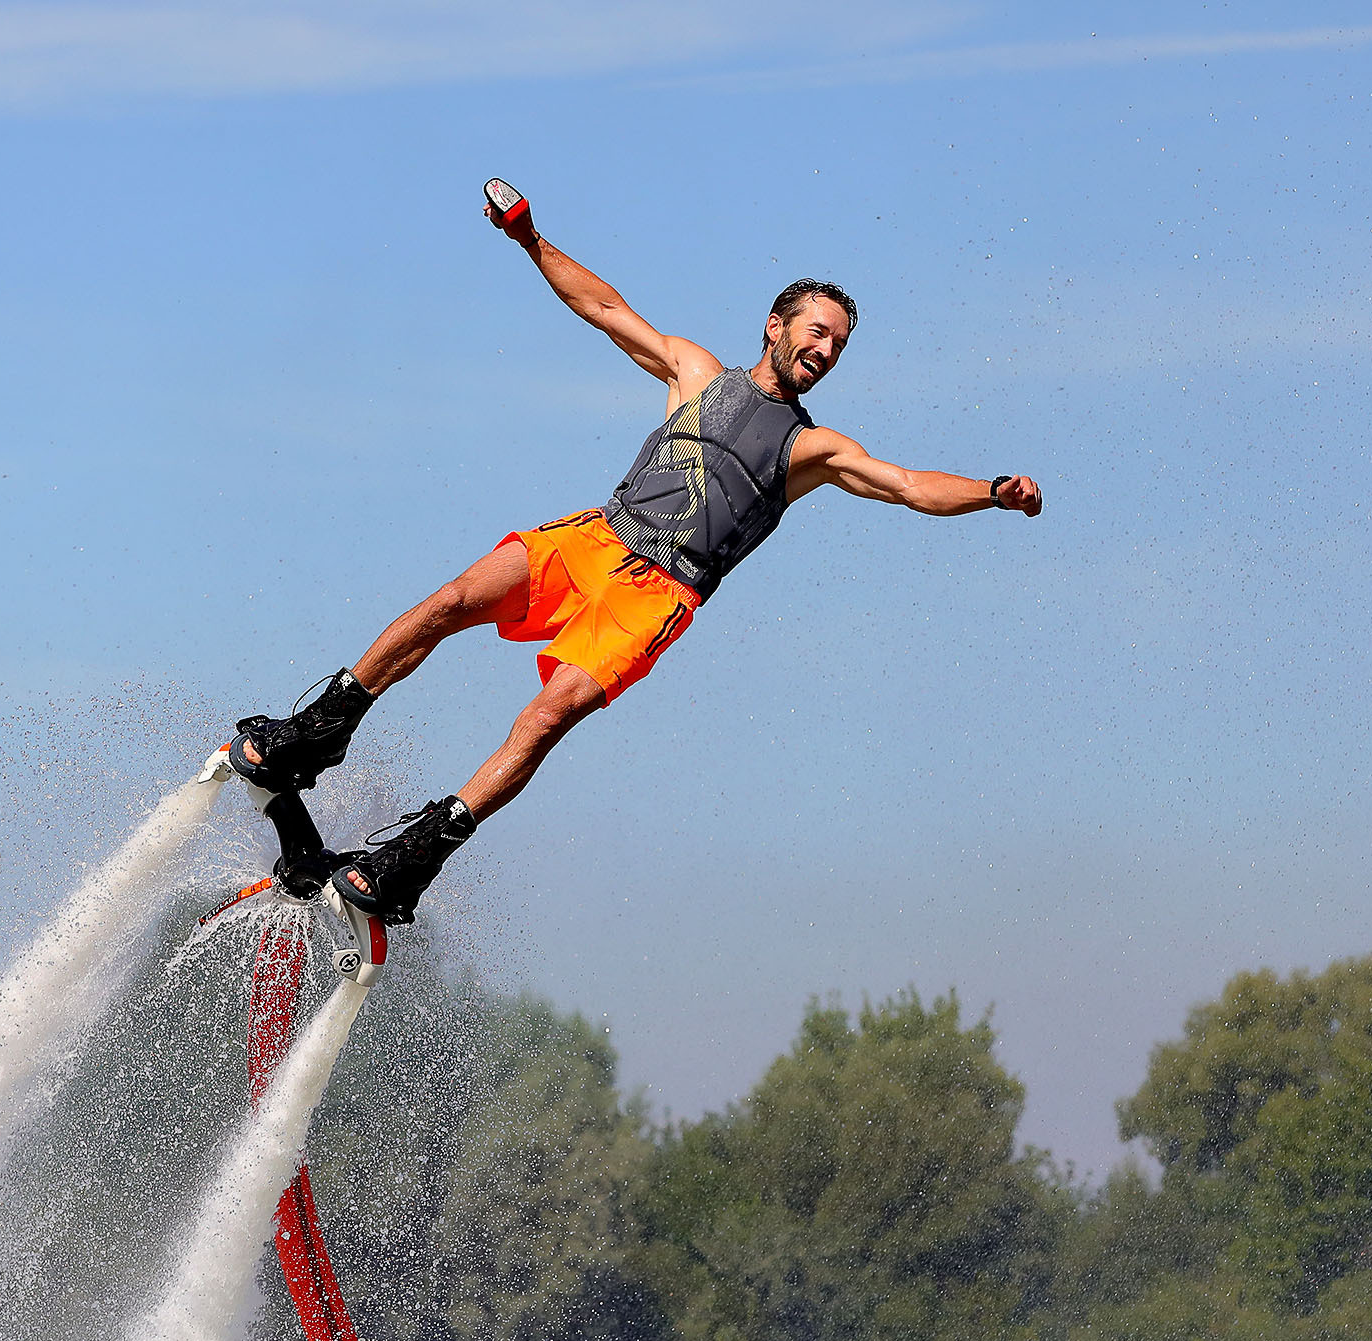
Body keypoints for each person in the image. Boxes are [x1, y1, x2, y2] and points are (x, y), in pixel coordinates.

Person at [232, 192, 1044, 925]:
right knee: (451, 600)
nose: (827, 351)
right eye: (817, 331)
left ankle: (412, 860)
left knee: (545, 719)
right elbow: (605, 307)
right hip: (598, 536)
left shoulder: (813, 447)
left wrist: (992, 489)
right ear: (776, 325)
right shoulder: (694, 371)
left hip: (659, 594)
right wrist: (528, 238)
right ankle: (317, 732)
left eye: (839, 344)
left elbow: (905, 484)